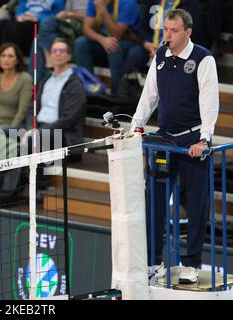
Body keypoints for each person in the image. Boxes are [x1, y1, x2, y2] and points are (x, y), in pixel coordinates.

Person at [130, 9, 219, 284]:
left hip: (192, 140)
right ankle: (154, 262)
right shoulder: (160, 56)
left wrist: (204, 139)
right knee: (154, 203)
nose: (167, 35)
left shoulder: (203, 59)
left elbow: (209, 100)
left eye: (173, 30)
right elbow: (149, 96)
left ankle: (190, 264)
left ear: (188, 33)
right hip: (165, 140)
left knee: (195, 206)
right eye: (165, 30)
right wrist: (135, 127)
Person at [73, 0, 140, 95]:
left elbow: (117, 34)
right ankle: (89, 91)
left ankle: (116, 95)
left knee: (113, 46)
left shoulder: (128, 3)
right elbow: (86, 29)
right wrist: (101, 39)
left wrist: (103, 11)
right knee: (80, 43)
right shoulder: (94, 2)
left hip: (128, 41)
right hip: (105, 39)